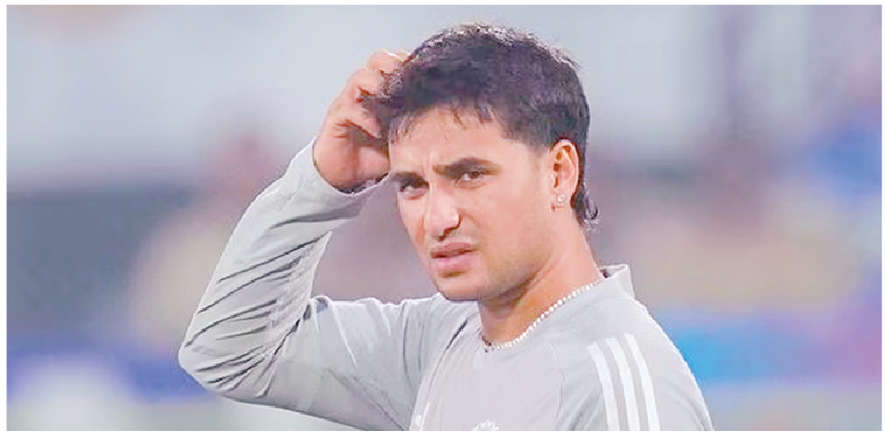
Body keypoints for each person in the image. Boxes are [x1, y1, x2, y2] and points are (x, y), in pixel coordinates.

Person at [179, 23, 713, 430]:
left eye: (470, 175)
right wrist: (323, 180)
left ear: (559, 173)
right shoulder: (435, 343)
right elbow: (229, 352)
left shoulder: (616, 383)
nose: (438, 218)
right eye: (412, 185)